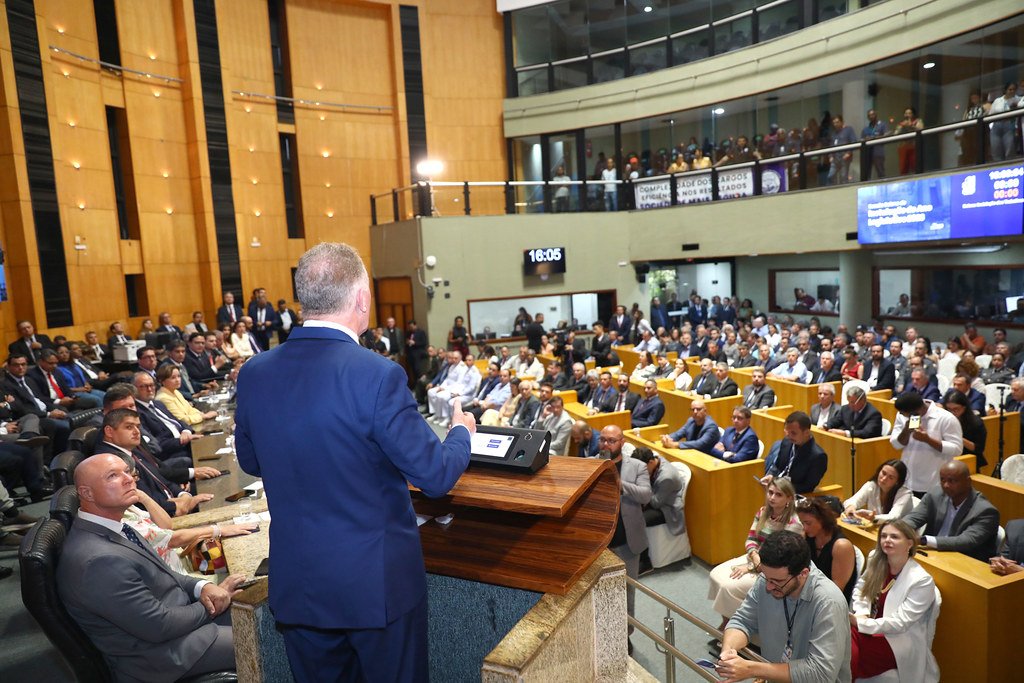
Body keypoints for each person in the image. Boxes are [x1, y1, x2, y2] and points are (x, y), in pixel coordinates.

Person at [235, 243, 473, 681]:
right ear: (362, 299)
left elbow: (251, 461)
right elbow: (436, 476)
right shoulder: (377, 375)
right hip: (374, 590)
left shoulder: (255, 372)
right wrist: (462, 434)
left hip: (299, 586)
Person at [57, 453, 238, 681]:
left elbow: (166, 574)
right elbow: (158, 626)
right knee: (263, 638)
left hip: (179, 623)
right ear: (87, 493)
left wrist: (201, 587)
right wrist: (210, 605)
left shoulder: (116, 526)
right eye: (113, 476)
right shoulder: (97, 561)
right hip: (161, 655)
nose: (128, 479)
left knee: (265, 611)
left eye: (126, 471)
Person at [717, 530, 851, 683]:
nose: (768, 587)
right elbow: (742, 621)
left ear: (803, 573)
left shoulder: (829, 602)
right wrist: (728, 651)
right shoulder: (768, 580)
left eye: (776, 581)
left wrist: (751, 669)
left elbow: (820, 674)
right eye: (767, 578)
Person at [849, 520, 940, 682]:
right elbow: (861, 590)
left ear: (910, 544)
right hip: (869, 631)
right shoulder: (876, 560)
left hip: (897, 641)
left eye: (894, 537)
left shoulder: (921, 580)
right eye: (883, 536)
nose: (887, 540)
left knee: (846, 642)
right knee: (842, 638)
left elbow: (900, 623)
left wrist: (860, 623)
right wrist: (862, 613)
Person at [707, 478, 802, 629]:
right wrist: (754, 558)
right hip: (754, 558)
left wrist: (751, 567)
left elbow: (780, 559)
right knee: (715, 574)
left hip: (773, 571)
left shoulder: (794, 524)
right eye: (770, 492)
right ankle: (731, 621)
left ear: (789, 498)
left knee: (727, 587)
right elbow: (751, 539)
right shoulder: (763, 511)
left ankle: (732, 626)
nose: (772, 497)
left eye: (778, 494)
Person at [600, 424, 648, 652]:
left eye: (611, 440)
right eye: (603, 440)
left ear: (622, 442)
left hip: (628, 541)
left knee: (628, 592)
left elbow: (646, 494)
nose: (606, 445)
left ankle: (625, 634)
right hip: (601, 542)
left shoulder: (637, 466)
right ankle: (605, 631)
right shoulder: (593, 462)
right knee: (601, 590)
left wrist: (621, 485)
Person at [902, 460, 999, 562]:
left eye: (952, 481)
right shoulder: (936, 493)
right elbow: (914, 517)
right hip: (932, 555)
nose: (946, 485)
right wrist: (899, 530)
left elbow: (965, 541)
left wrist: (923, 540)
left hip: (964, 562)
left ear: (968, 482)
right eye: (942, 480)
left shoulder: (985, 511)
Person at [891, 392, 962, 496]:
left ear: (915, 411)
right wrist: (906, 431)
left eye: (902, 413)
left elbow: (957, 449)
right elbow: (896, 444)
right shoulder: (902, 416)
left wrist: (927, 440)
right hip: (906, 480)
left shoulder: (946, 418)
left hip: (932, 484)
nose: (901, 415)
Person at [796, 497, 857, 603]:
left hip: (831, 602)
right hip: (810, 595)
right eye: (802, 523)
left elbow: (836, 590)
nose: (804, 528)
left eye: (808, 523)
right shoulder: (807, 537)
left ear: (823, 520)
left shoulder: (841, 546)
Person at [762, 412, 828, 494]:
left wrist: (782, 487)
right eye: (787, 431)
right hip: (777, 490)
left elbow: (808, 487)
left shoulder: (818, 456)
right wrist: (771, 476)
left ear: (807, 432)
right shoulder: (786, 442)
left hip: (795, 496)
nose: (789, 436)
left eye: (793, 433)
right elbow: (778, 466)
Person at [843, 459, 914, 523]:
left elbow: (894, 517)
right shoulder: (872, 485)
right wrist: (851, 507)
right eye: (883, 473)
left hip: (901, 532)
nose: (884, 479)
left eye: (891, 477)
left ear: (897, 482)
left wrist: (874, 518)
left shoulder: (905, 494)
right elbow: (853, 500)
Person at [944, 390, 988, 471]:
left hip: (969, 460)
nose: (952, 413)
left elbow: (978, 448)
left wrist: (958, 438)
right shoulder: (944, 420)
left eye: (956, 409)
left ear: (964, 408)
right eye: (949, 409)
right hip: (946, 458)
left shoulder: (976, 422)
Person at [989, 82, 1021, 161]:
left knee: (1009, 149)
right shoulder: (998, 101)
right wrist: (992, 126)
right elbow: (990, 115)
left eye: (1014, 89)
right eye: (1010, 89)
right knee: (996, 149)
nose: (1012, 91)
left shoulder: (1018, 99)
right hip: (997, 126)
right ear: (1006, 90)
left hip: (1010, 125)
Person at [896, 107, 924, 175]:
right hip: (903, 147)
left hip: (914, 146)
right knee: (903, 167)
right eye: (906, 113)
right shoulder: (901, 123)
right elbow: (896, 133)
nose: (907, 115)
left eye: (909, 113)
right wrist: (902, 127)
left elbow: (920, 129)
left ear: (913, 114)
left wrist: (911, 125)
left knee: (914, 165)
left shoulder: (918, 121)